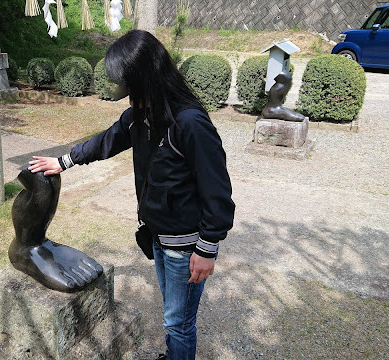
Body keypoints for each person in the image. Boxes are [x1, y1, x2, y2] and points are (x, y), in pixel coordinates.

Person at [28, 30, 235, 360]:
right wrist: (63, 161)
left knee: (179, 323)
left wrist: (207, 249)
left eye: (126, 85)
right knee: (173, 314)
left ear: (145, 79)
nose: (122, 94)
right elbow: (106, 141)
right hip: (158, 234)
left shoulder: (190, 123)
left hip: (186, 246)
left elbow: (218, 191)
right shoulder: (142, 115)